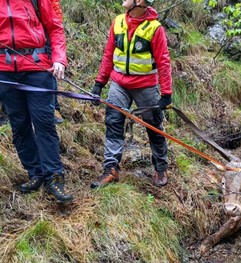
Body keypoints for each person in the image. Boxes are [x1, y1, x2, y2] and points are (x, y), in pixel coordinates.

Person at [90, 0, 173, 188]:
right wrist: (99, 83)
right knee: (113, 122)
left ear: (140, 2)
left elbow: (163, 62)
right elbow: (108, 54)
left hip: (145, 85)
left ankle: (160, 167)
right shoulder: (118, 22)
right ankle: (111, 169)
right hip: (119, 83)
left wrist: (166, 93)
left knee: (153, 125)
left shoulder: (154, 28)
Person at [0, 0, 73, 203]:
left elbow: (55, 27)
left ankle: (54, 177)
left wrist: (59, 59)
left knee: (44, 123)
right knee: (19, 126)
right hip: (4, 72)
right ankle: (35, 173)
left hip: (37, 67)